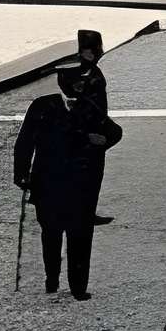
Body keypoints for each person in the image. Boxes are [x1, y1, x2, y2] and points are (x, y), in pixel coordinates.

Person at [13, 60, 122, 298]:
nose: (81, 87)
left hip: (80, 188)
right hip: (47, 185)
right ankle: (51, 278)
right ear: (64, 82)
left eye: (83, 82)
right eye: (76, 81)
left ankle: (78, 288)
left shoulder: (90, 107)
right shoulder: (42, 106)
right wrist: (20, 173)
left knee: (80, 238)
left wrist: (102, 141)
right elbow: (25, 141)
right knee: (50, 235)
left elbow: (115, 132)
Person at [68, 29, 119, 225]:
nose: (99, 53)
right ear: (85, 51)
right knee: (88, 175)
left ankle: (86, 212)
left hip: (94, 127)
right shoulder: (78, 75)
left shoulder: (87, 70)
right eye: (95, 50)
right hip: (88, 133)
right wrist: (87, 135)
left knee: (92, 175)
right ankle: (83, 214)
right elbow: (75, 109)